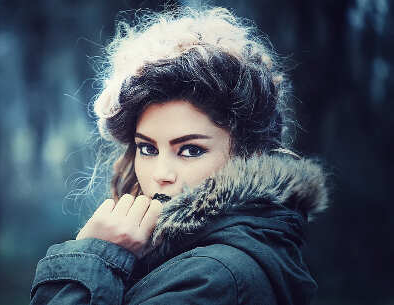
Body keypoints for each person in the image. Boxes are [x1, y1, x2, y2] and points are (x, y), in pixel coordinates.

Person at [30, 6, 328, 305]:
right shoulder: (192, 255)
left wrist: (93, 259)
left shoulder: (213, 277)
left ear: (250, 154)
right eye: (147, 148)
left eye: (190, 150)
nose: (161, 173)